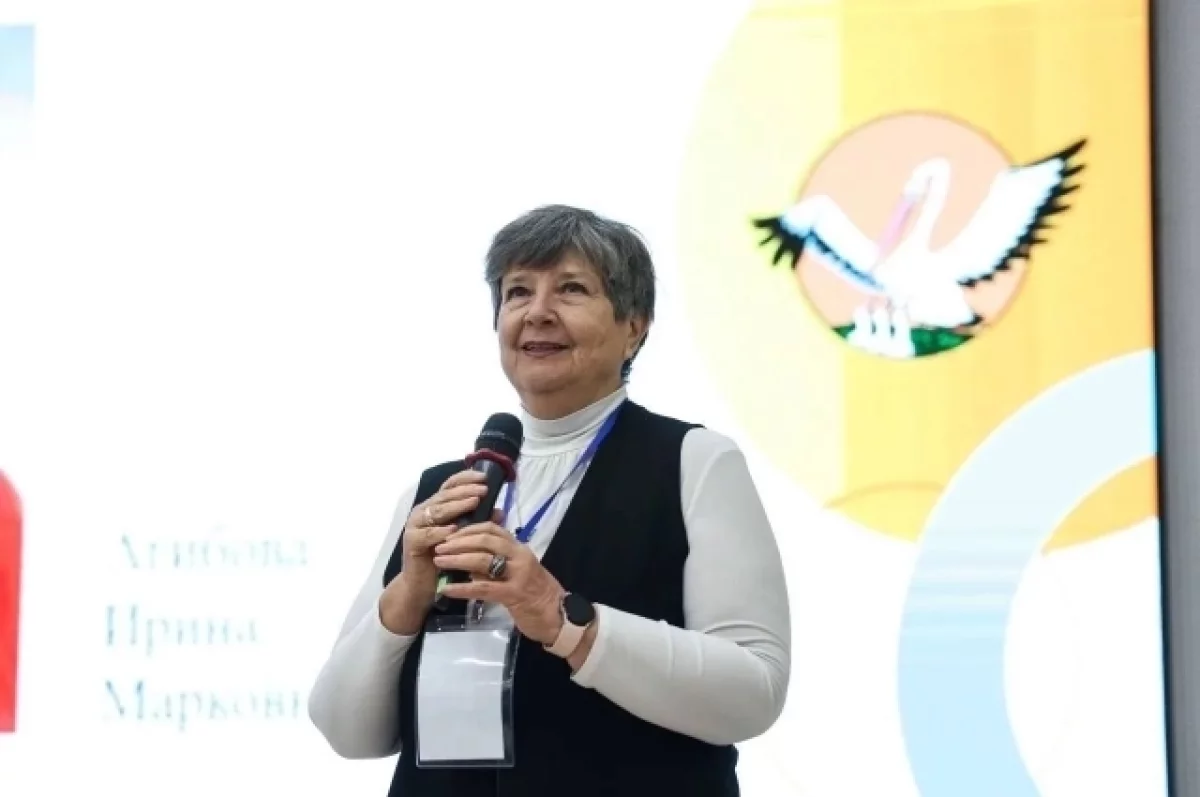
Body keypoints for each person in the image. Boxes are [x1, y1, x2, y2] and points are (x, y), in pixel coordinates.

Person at [308, 205, 791, 796]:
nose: (537, 312)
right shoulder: (435, 492)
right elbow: (346, 731)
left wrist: (562, 618)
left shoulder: (693, 461)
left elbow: (754, 693)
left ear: (634, 326)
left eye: (571, 289)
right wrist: (407, 594)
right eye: (517, 292)